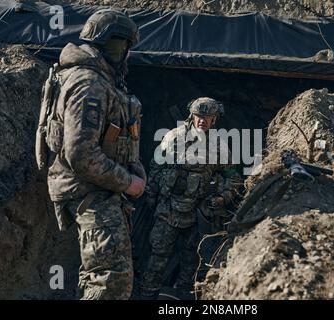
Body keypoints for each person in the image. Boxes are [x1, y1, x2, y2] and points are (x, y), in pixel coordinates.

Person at [39, 9, 146, 299]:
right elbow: (81, 154)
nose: (125, 54)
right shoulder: (90, 83)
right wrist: (128, 182)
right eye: (123, 46)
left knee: (98, 274)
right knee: (111, 280)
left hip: (95, 191)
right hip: (89, 192)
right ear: (112, 44)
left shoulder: (95, 78)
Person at [140, 97, 241, 299]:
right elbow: (155, 167)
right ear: (191, 116)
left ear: (214, 120)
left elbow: (234, 179)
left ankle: (184, 297)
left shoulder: (219, 147)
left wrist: (221, 199)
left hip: (197, 213)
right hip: (167, 209)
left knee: (191, 259)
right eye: (198, 116)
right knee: (157, 256)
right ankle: (146, 295)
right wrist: (151, 196)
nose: (202, 120)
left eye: (207, 117)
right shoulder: (173, 137)